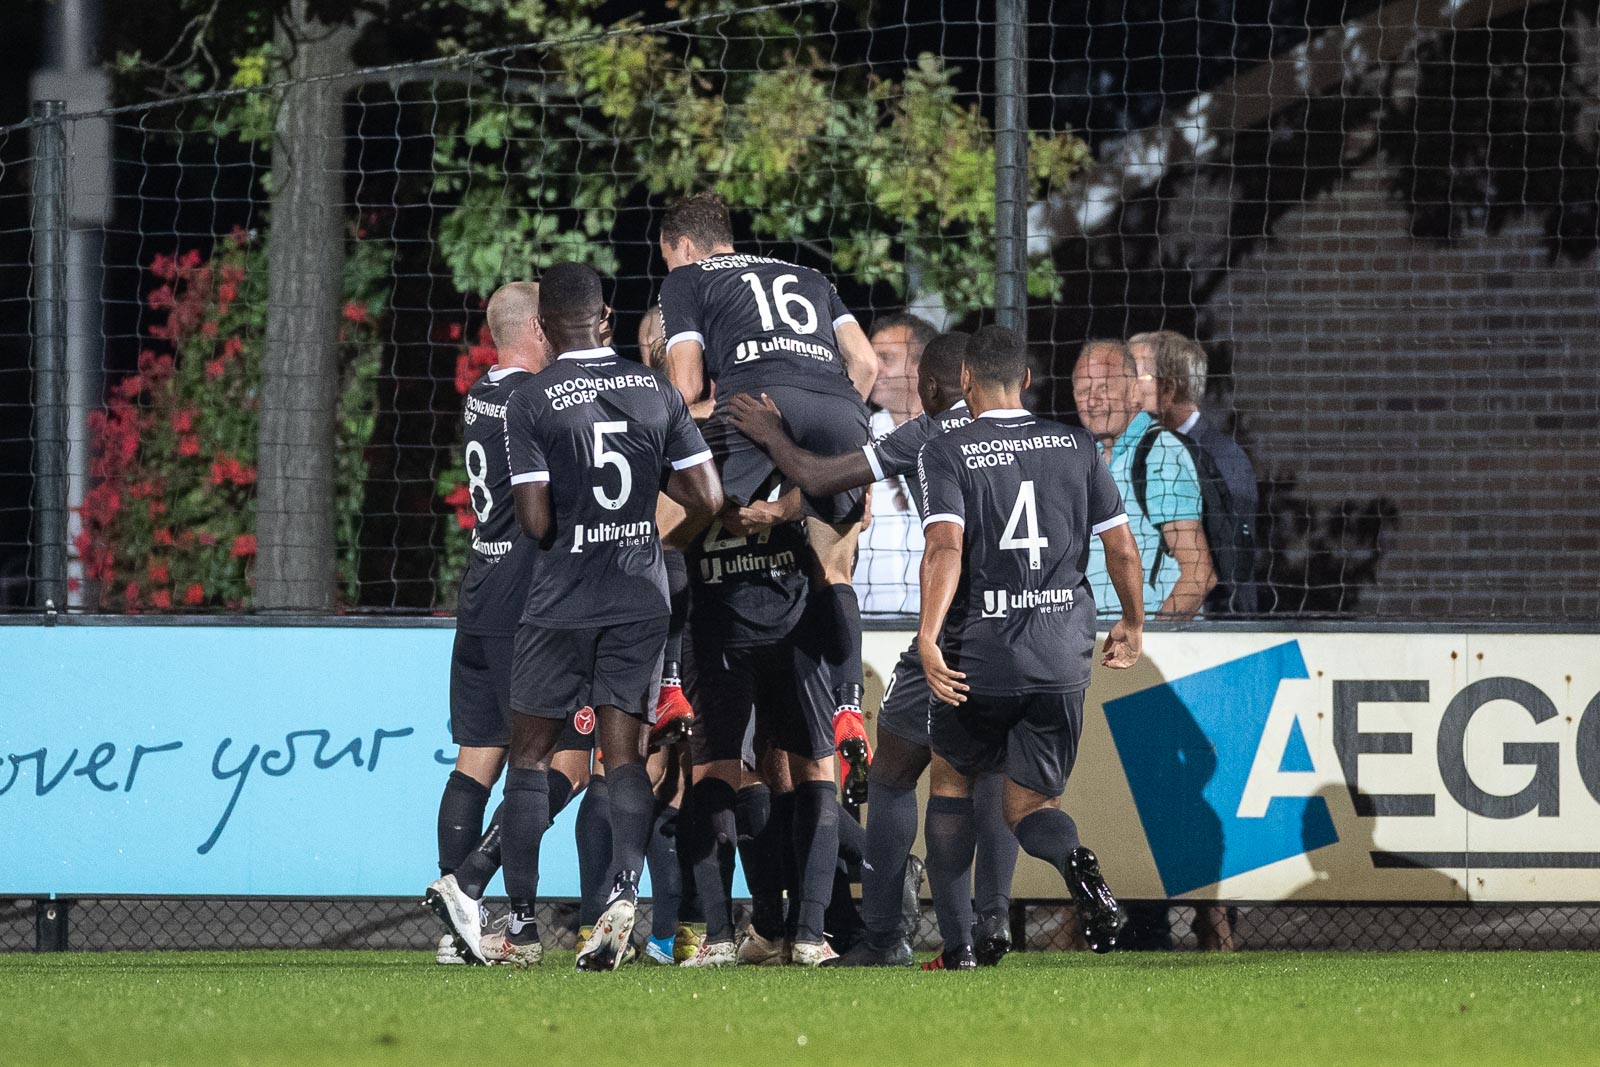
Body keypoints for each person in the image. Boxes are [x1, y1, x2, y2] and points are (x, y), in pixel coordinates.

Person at [727, 332, 1023, 968]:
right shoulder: (1053, 440)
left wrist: (775, 436)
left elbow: (828, 477)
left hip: (955, 633)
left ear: (938, 388)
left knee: (891, 774)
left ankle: (884, 933)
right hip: (1030, 636)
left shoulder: (932, 434)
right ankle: (991, 915)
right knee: (992, 775)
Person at [494, 262, 722, 971]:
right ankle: (626, 889)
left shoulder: (531, 400)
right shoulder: (654, 388)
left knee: (529, 756)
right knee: (624, 756)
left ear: (541, 327)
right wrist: (651, 512)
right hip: (639, 596)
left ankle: (524, 927)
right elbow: (708, 494)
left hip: (562, 599)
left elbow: (533, 521)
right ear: (607, 317)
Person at [913, 325, 1147, 969]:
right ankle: (1078, 865)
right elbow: (1121, 548)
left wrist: (928, 637)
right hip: (1060, 655)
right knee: (1031, 805)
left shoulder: (948, 448)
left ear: (965, 380)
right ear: (1028, 381)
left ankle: (964, 944)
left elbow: (945, 548)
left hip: (979, 655)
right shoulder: (1076, 446)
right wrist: (1133, 621)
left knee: (953, 781)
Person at [657, 193, 879, 798]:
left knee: (659, 530)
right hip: (838, 406)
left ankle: (670, 685)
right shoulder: (809, 275)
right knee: (835, 560)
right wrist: (822, 437)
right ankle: (849, 704)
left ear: (681, 247)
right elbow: (865, 360)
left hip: (752, 404)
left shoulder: (685, 282)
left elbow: (685, 389)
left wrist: (702, 485)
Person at [423, 281, 595, 966]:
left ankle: (455, 929)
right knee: (571, 763)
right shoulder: (533, 400)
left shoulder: (483, 394)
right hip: (530, 604)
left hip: (481, 596)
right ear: (533, 331)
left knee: (477, 759)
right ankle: (471, 883)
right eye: (550, 326)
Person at [676, 472, 847, 968]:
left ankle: (805, 932)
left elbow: (842, 490)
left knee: (806, 769)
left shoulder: (781, 429)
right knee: (727, 773)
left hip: (793, 629)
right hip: (717, 633)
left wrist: (777, 510)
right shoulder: (705, 430)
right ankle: (740, 932)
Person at [1075, 340, 1216, 619]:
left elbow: (1199, 574)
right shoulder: (1086, 459)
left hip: (1146, 649)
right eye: (1083, 391)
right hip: (1096, 645)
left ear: (1134, 393)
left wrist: (1150, 639)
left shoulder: (1161, 454)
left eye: (1104, 388)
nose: (1092, 400)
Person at [1128, 330, 1259, 616]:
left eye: (1136, 377)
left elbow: (1228, 564)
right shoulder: (1146, 452)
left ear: (1169, 388)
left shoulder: (1220, 458)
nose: (1125, 389)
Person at [857, 313, 939, 615]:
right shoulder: (857, 436)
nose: (873, 367)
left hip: (937, 623)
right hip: (868, 618)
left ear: (921, 367)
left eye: (886, 358)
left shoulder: (958, 437)